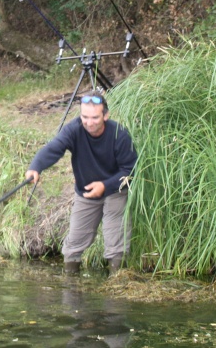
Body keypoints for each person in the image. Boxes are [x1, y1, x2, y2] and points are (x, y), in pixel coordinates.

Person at [25, 90, 138, 274]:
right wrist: (36, 167)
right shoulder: (74, 129)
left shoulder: (120, 135)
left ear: (105, 115)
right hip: (85, 192)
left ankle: (117, 285)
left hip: (116, 189)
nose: (89, 122)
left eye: (94, 117)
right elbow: (54, 148)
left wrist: (105, 186)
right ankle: (71, 286)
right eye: (85, 117)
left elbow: (131, 171)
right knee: (74, 243)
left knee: (115, 242)